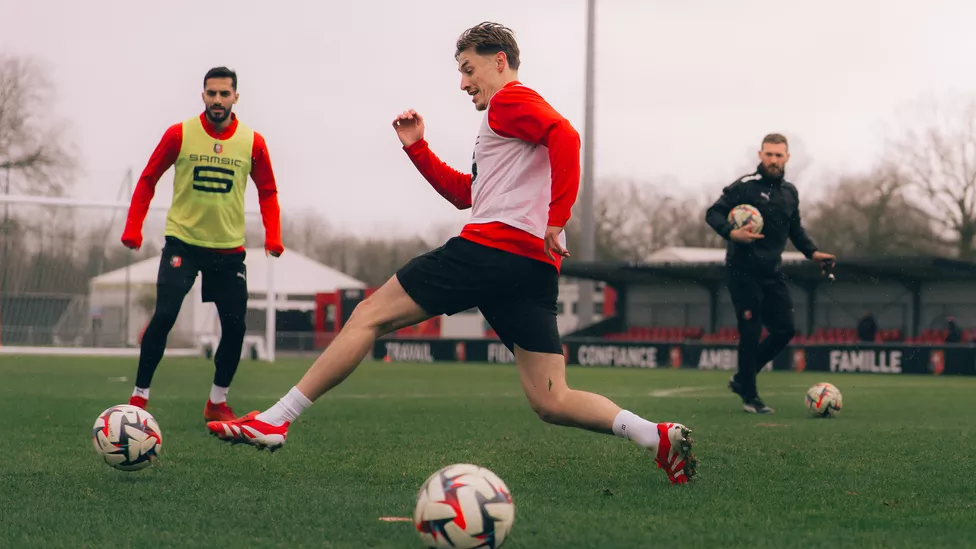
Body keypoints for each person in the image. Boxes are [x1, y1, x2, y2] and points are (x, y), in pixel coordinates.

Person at [206, 22, 696, 485]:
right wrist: (418, 149)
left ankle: (277, 419)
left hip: (490, 250)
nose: (462, 82)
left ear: (499, 61)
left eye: (468, 68)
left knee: (368, 315)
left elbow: (566, 136)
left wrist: (558, 217)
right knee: (552, 399)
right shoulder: (508, 121)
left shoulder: (510, 101)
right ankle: (653, 436)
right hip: (532, 268)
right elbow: (468, 194)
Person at [121, 66, 284, 422]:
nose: (217, 100)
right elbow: (148, 179)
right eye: (211, 93)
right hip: (183, 243)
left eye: (224, 94)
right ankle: (139, 398)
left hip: (227, 250)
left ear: (236, 97)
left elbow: (268, 191)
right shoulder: (179, 134)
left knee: (236, 326)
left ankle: (217, 402)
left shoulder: (252, 142)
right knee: (165, 314)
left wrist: (273, 235)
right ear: (203, 96)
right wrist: (134, 227)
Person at [705, 133, 835, 414]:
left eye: (779, 155)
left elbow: (795, 230)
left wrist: (813, 253)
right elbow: (713, 213)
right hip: (742, 271)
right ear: (760, 155)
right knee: (750, 333)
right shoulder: (744, 187)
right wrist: (731, 233)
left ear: (787, 157)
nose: (773, 160)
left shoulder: (790, 192)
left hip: (771, 272)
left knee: (784, 330)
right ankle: (750, 396)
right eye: (769, 154)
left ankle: (742, 378)